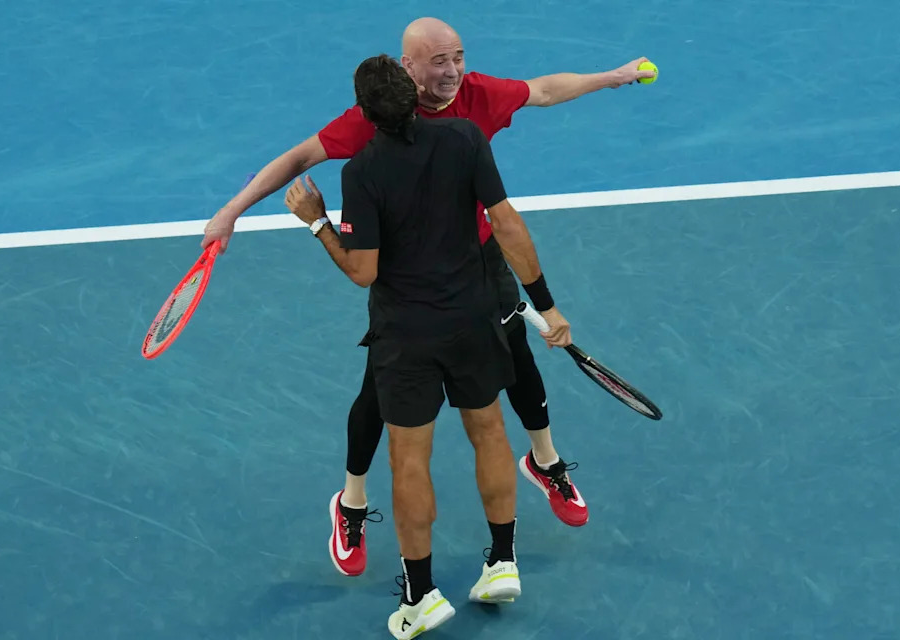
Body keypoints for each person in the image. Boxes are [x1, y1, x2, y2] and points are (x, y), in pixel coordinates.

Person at [201, 16, 656, 576]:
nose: (453, 71)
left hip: (476, 261)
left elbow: (542, 90)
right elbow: (298, 160)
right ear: (407, 68)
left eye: (458, 57)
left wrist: (611, 76)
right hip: (406, 278)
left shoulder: (477, 96)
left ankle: (546, 462)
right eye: (440, 62)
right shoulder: (376, 121)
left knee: (516, 356)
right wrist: (231, 211)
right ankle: (351, 501)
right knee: (378, 393)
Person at [284, 53, 572, 640]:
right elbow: (509, 225)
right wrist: (545, 303)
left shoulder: (360, 172)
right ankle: (502, 563)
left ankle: (420, 594)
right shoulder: (466, 138)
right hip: (473, 321)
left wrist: (316, 223)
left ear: (366, 113)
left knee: (409, 460)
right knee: (490, 432)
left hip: (406, 337)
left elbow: (363, 271)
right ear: (412, 98)